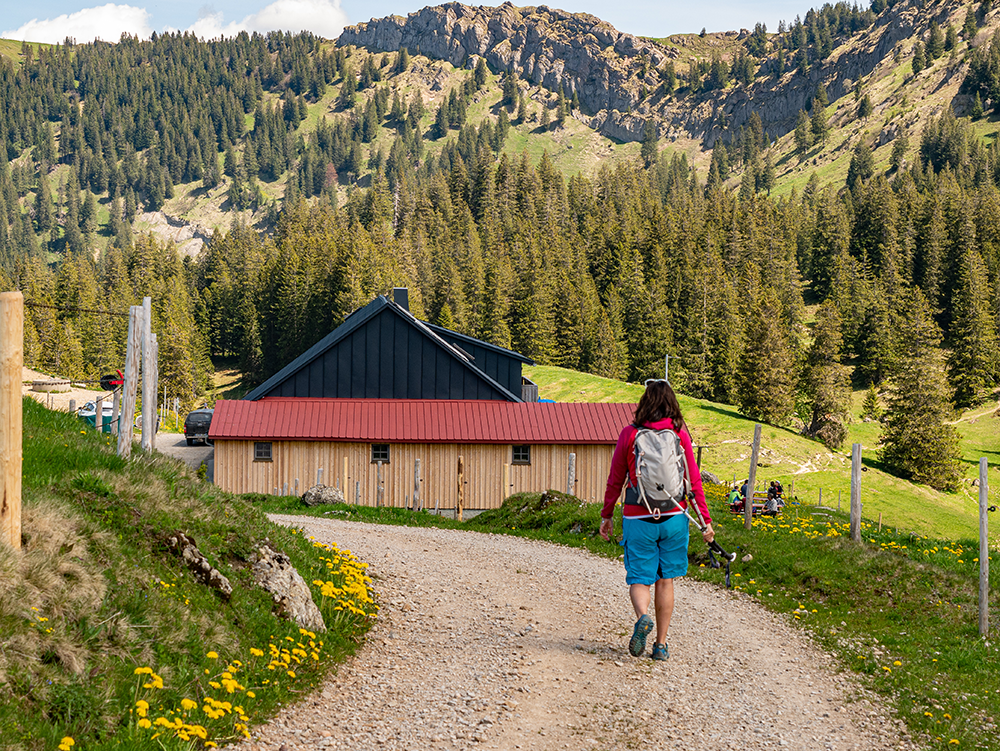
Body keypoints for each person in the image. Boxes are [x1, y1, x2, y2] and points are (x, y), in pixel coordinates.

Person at [599, 379, 714, 661]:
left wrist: (607, 515)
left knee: (640, 578)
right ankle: (660, 645)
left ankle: (642, 617)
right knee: (666, 581)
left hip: (638, 516)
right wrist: (705, 521)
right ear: (671, 404)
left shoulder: (629, 434)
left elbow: (616, 480)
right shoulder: (679, 435)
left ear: (644, 403)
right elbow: (694, 482)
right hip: (675, 516)